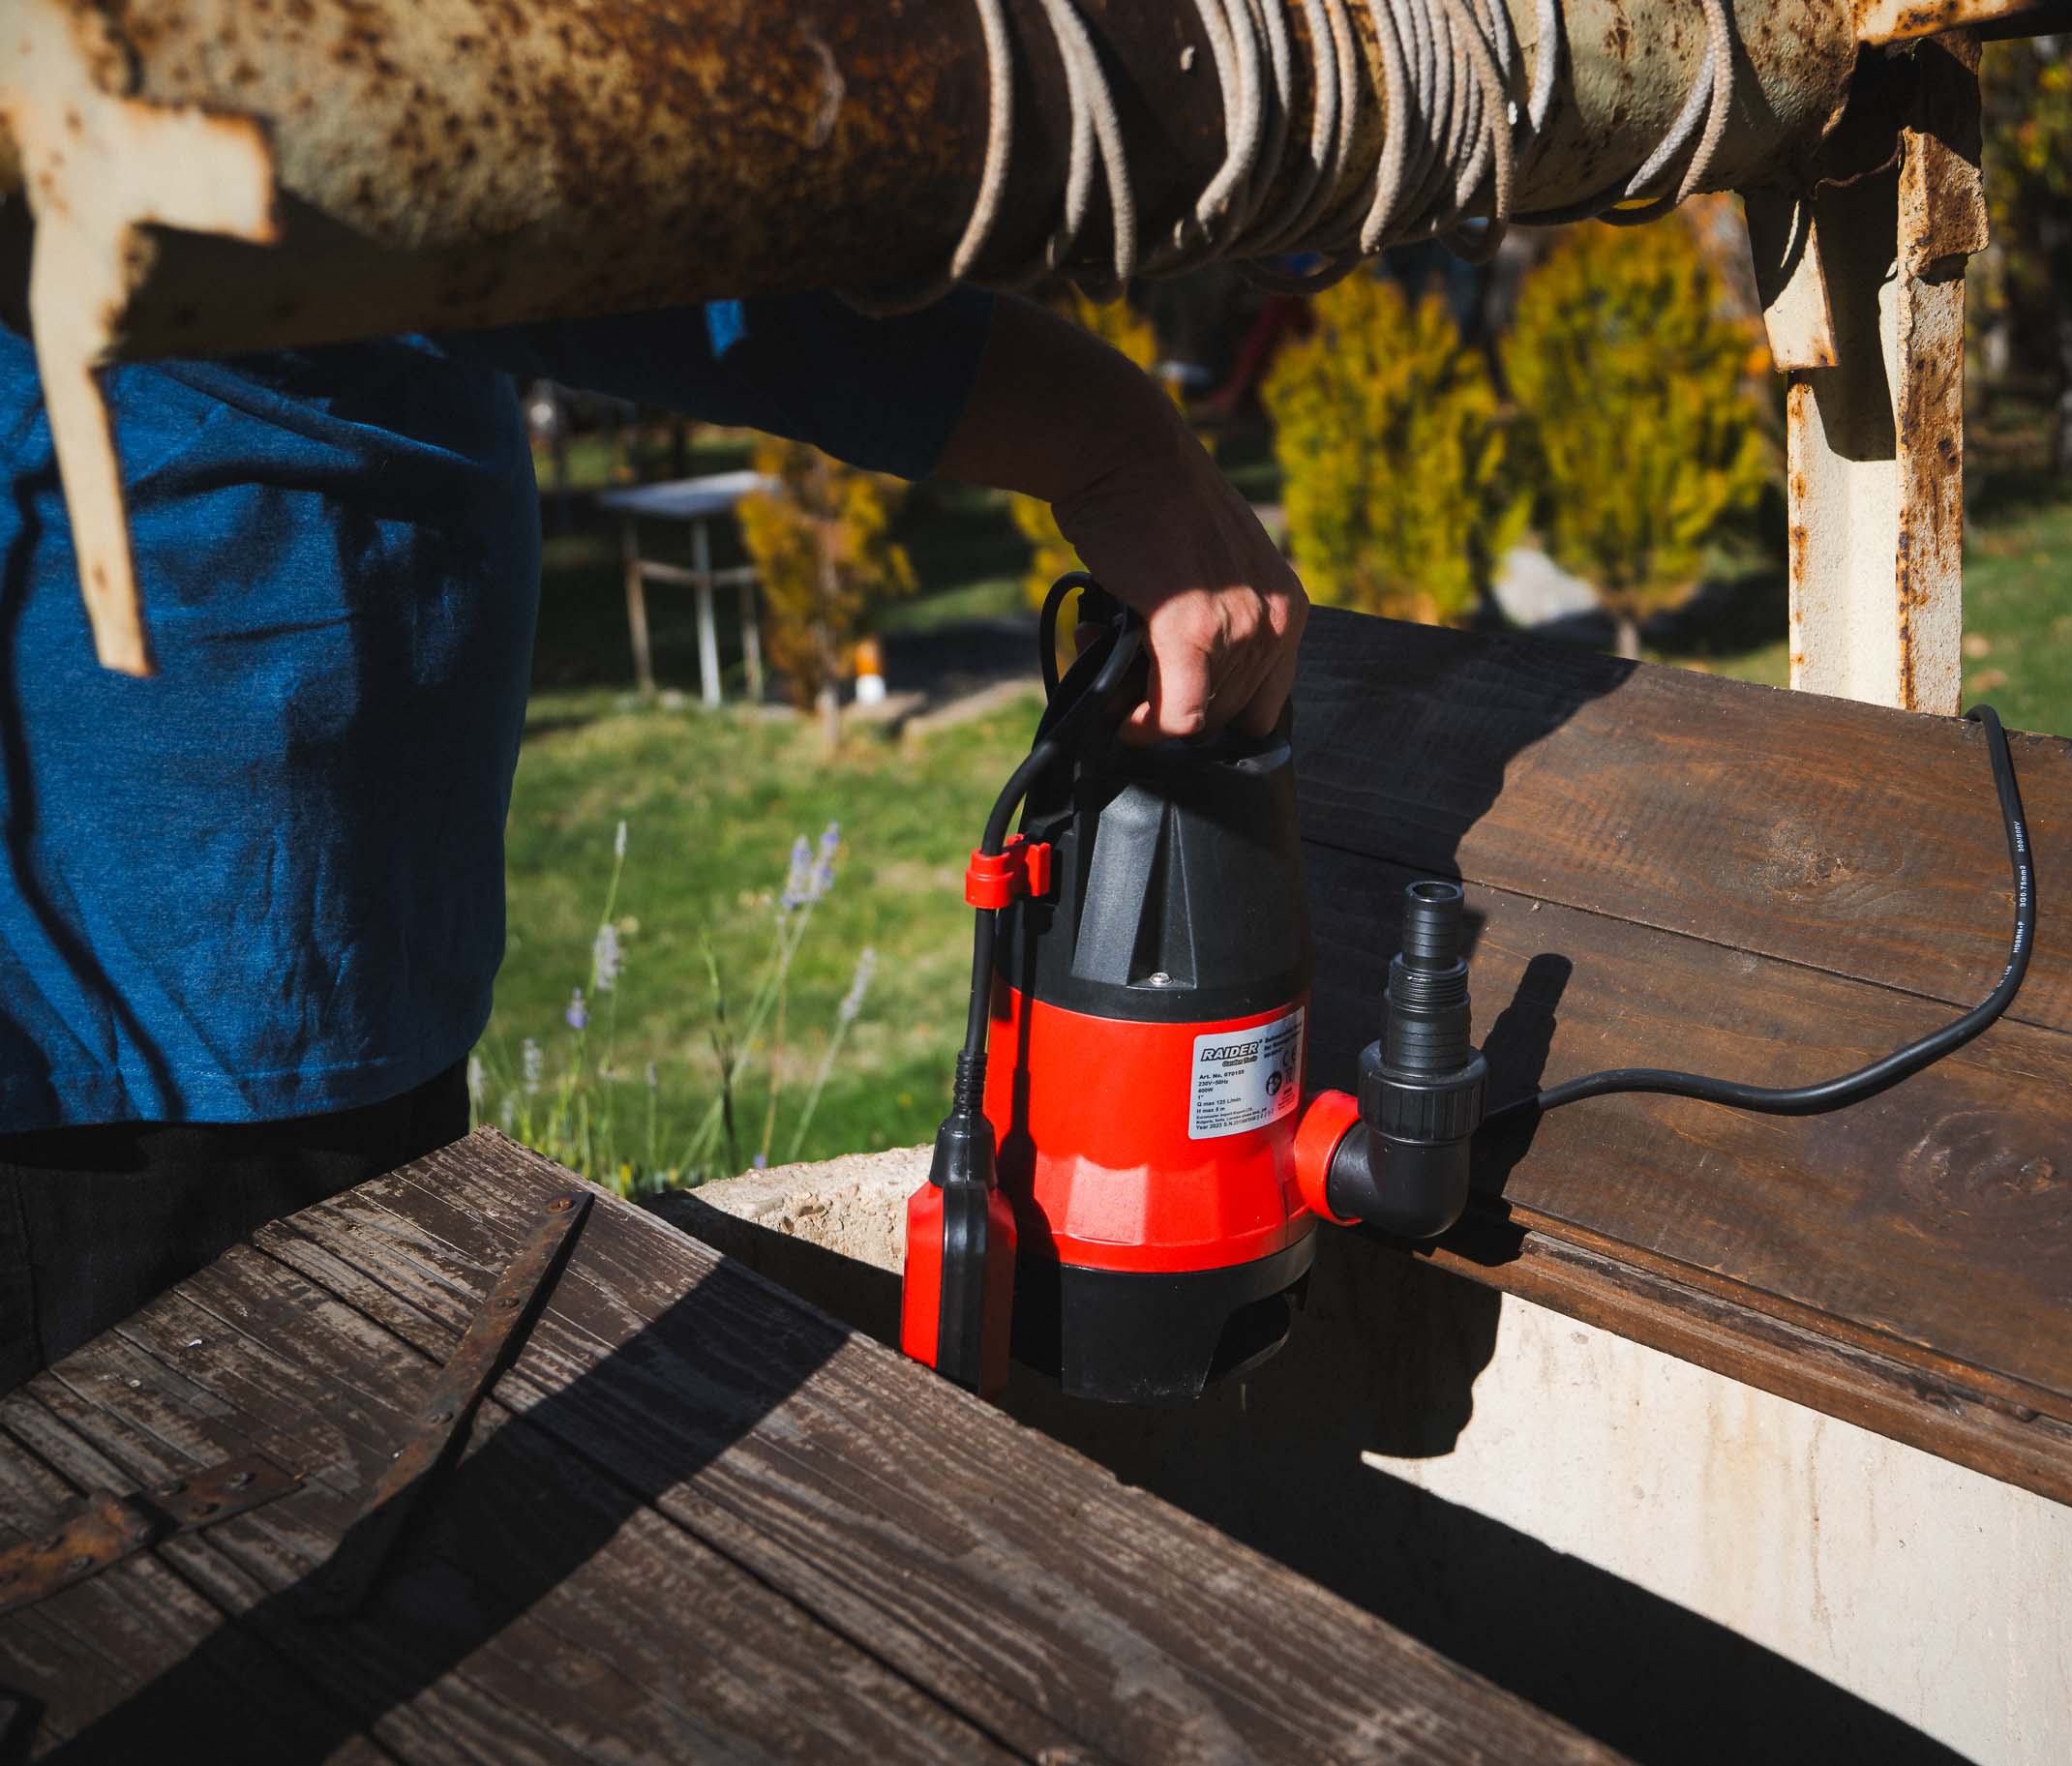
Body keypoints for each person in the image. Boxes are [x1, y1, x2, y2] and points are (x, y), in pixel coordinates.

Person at [0, 286, 1307, 1390]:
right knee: (222, 1535)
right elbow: (600, 231)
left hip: (271, 956)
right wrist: (1111, 443)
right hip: (155, 990)